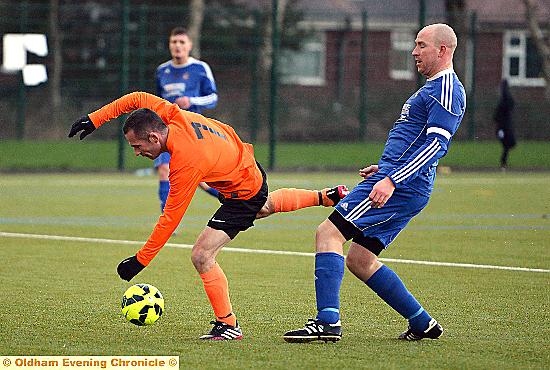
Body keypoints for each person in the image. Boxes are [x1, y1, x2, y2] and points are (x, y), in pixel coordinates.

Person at [68, 91, 348, 341]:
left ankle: (228, 325)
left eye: (137, 146)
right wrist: (94, 119)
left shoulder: (185, 161)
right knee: (264, 205)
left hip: (243, 190)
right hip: (243, 164)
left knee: (202, 254)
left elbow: (170, 219)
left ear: (154, 137)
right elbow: (137, 98)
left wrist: (140, 260)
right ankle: (324, 197)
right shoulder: (170, 114)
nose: (137, 152)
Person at [283, 23, 466, 343]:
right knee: (360, 259)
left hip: (402, 185)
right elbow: (416, 140)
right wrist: (385, 167)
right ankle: (422, 322)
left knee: (328, 234)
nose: (414, 52)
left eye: (421, 45)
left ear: (443, 50)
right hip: (400, 180)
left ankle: (327, 323)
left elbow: (436, 145)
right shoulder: (431, 88)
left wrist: (392, 179)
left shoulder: (446, 90)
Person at [155, 27, 219, 211]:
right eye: (174, 42)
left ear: (189, 45)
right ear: (169, 45)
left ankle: (236, 202)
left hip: (192, 131)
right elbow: (159, 101)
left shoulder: (200, 68)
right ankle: (166, 218)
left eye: (182, 42)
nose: (178, 46)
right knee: (164, 169)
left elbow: (213, 98)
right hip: (166, 130)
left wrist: (191, 101)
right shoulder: (162, 71)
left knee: (201, 180)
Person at [493, 79, 516, 169]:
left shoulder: (504, 100)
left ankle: (503, 163)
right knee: (507, 144)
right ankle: (503, 163)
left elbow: (496, 116)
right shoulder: (505, 100)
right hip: (503, 127)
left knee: (508, 144)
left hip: (503, 127)